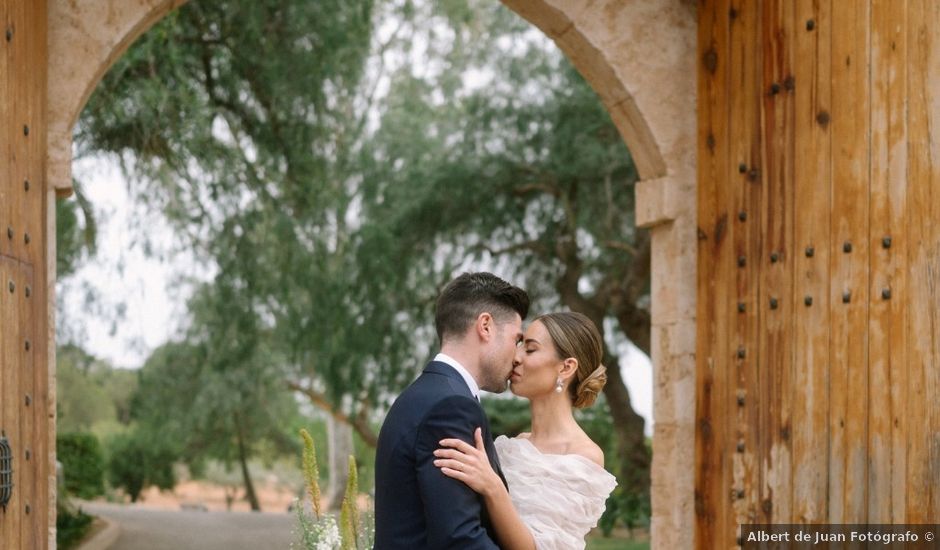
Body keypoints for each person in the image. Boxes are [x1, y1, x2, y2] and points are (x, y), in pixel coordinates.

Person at [433, 311, 618, 550]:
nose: (516, 357)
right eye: (518, 345)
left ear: (566, 367)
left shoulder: (584, 458)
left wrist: (492, 486)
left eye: (530, 349)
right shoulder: (510, 447)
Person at [373, 272, 529, 549]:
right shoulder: (450, 407)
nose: (517, 355)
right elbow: (460, 539)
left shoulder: (424, 394)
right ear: (485, 326)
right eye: (516, 339)